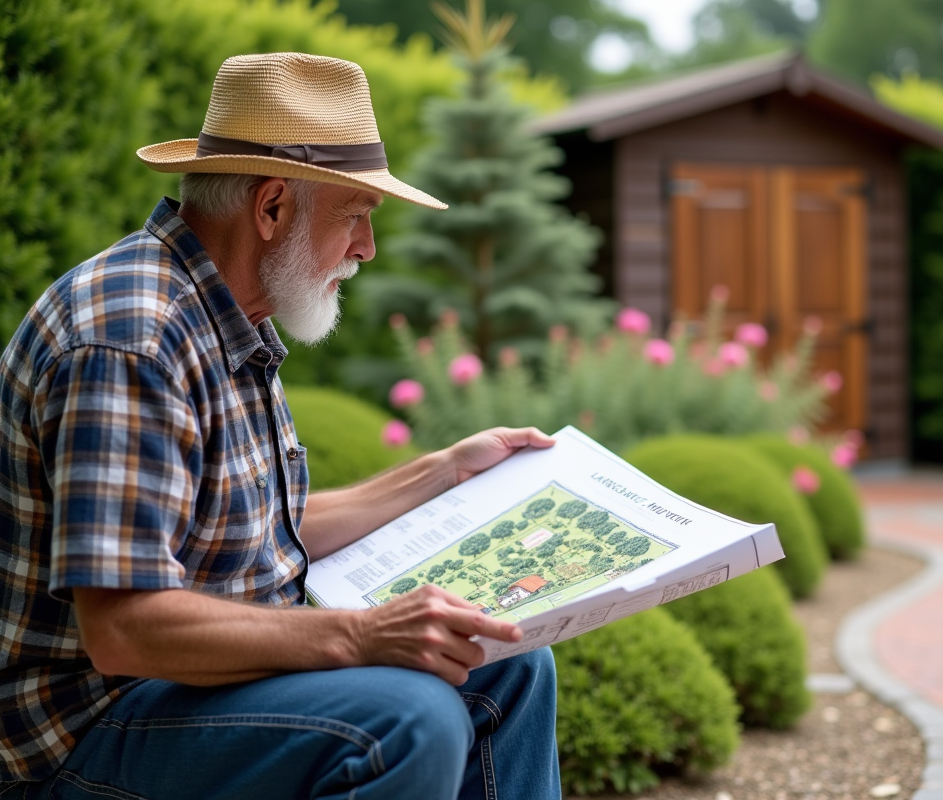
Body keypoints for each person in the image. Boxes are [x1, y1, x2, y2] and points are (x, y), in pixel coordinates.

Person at [0, 52, 561, 799]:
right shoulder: (131, 337)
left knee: (509, 660)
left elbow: (260, 528)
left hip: (179, 694)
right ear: (271, 209)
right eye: (356, 217)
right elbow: (123, 629)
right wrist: (362, 637)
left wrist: (444, 472)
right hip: (83, 735)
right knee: (411, 717)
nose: (366, 248)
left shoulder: (224, 318)